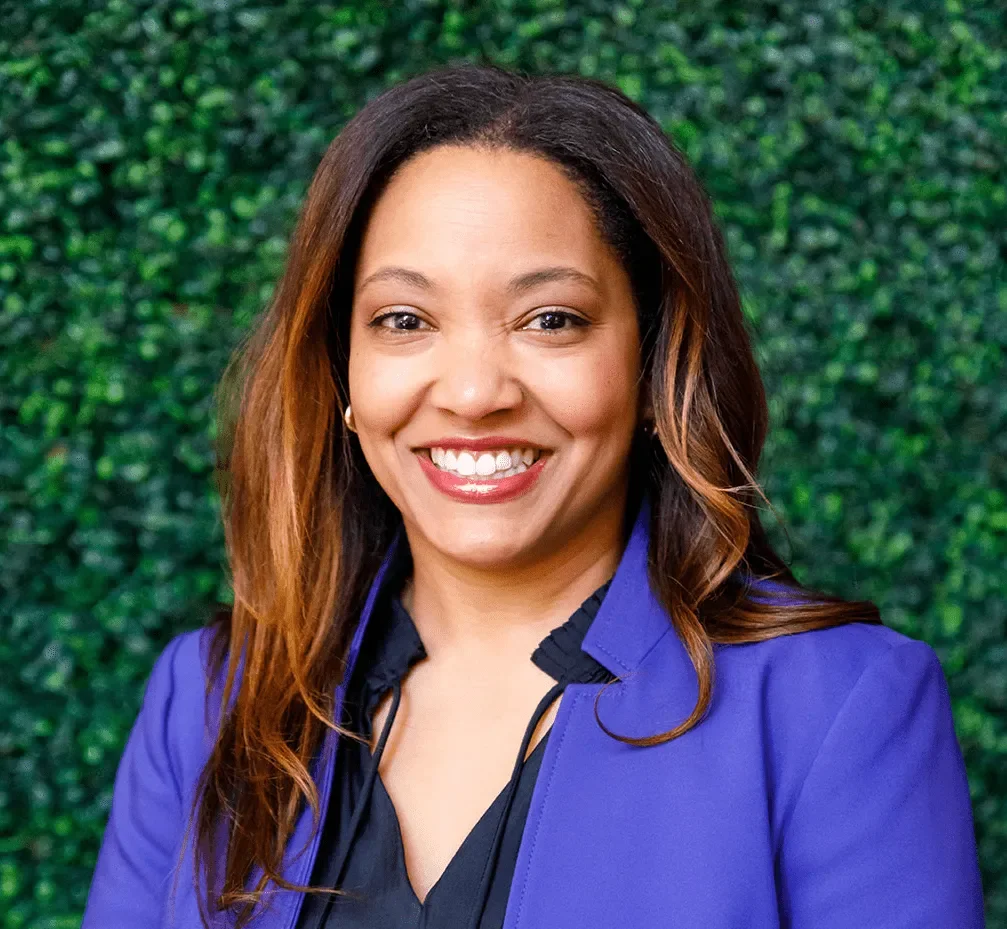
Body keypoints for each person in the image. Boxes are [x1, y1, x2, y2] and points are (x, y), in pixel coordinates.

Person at [81, 63, 986, 929]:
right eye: (405, 320)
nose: (475, 393)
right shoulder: (209, 701)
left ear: (653, 367)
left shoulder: (835, 706)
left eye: (550, 319)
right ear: (341, 373)